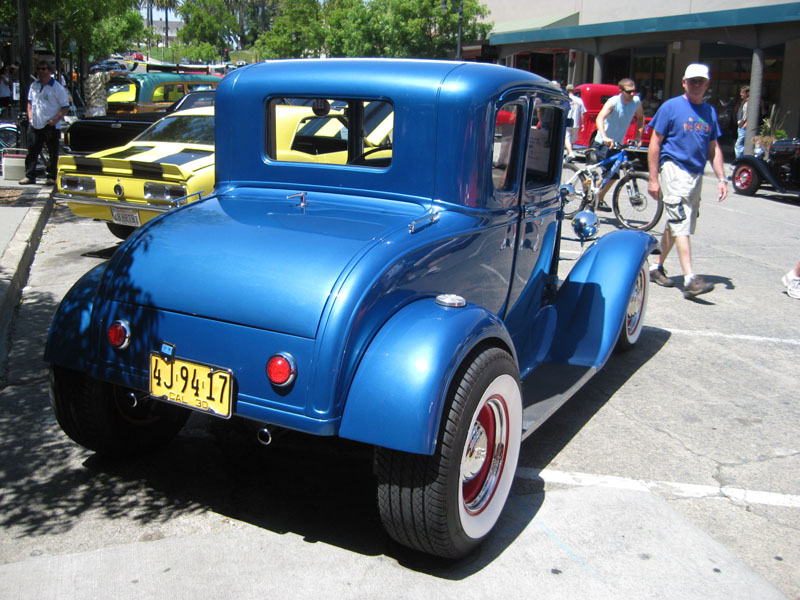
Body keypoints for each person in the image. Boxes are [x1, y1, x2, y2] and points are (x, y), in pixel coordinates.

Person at [647, 63, 728, 299]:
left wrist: (722, 178)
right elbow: (655, 142)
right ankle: (691, 278)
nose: (696, 85)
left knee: (677, 223)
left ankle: (655, 266)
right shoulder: (671, 107)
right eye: (692, 81)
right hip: (674, 168)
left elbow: (713, 148)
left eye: (700, 81)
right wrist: (653, 178)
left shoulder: (709, 112)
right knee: (681, 221)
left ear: (707, 84)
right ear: (684, 82)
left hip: (696, 174)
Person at [593, 78, 645, 208]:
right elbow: (600, 118)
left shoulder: (636, 102)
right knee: (609, 174)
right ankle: (592, 197)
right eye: (629, 92)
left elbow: (640, 117)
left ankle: (596, 198)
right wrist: (604, 136)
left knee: (613, 176)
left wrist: (638, 136)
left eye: (634, 91)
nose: (632, 94)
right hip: (603, 143)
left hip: (617, 143)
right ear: (621, 91)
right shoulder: (613, 102)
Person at [19, 60, 70, 186]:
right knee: (32, 151)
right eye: (39, 69)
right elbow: (30, 102)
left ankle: (51, 176)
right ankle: (29, 175)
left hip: (50, 124)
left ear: (50, 71)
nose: (41, 71)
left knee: (52, 152)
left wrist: (55, 120)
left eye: (44, 69)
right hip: (35, 123)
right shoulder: (34, 86)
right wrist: (30, 116)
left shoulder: (57, 88)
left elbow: (65, 107)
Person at [564, 84, 585, 160]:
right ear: (574, 91)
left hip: (567, 122)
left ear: (566, 91)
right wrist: (582, 124)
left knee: (566, 139)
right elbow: (582, 112)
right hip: (576, 123)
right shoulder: (579, 100)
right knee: (572, 140)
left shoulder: (566, 99)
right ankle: (569, 154)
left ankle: (570, 153)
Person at [734, 86, 749, 160]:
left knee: (739, 145)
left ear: (747, 93)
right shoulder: (743, 103)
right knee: (740, 145)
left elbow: (746, 116)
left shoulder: (747, 104)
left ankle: (739, 161)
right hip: (741, 126)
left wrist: (742, 123)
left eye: (742, 92)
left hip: (743, 127)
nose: (741, 94)